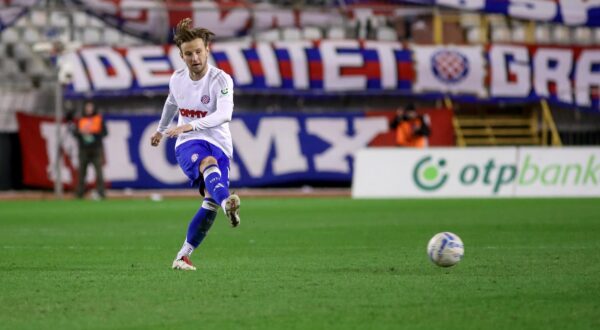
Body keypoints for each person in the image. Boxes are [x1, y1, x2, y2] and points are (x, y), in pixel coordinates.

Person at [150, 18, 241, 271]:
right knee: (207, 163)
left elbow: (224, 114)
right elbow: (171, 103)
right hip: (188, 143)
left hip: (219, 143)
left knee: (210, 201)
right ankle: (228, 205)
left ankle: (183, 256)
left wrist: (189, 124)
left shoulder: (221, 80)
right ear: (181, 55)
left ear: (207, 50)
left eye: (198, 51)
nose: (195, 58)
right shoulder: (177, 79)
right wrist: (161, 130)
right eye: (188, 54)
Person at [72, 101, 107, 199]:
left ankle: (101, 192)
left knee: (99, 172)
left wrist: (93, 133)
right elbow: (75, 133)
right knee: (82, 172)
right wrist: (80, 132)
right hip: (84, 150)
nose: (89, 109)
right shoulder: (81, 120)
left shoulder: (98, 119)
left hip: (96, 149)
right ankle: (80, 193)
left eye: (91, 107)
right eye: (87, 107)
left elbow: (105, 133)